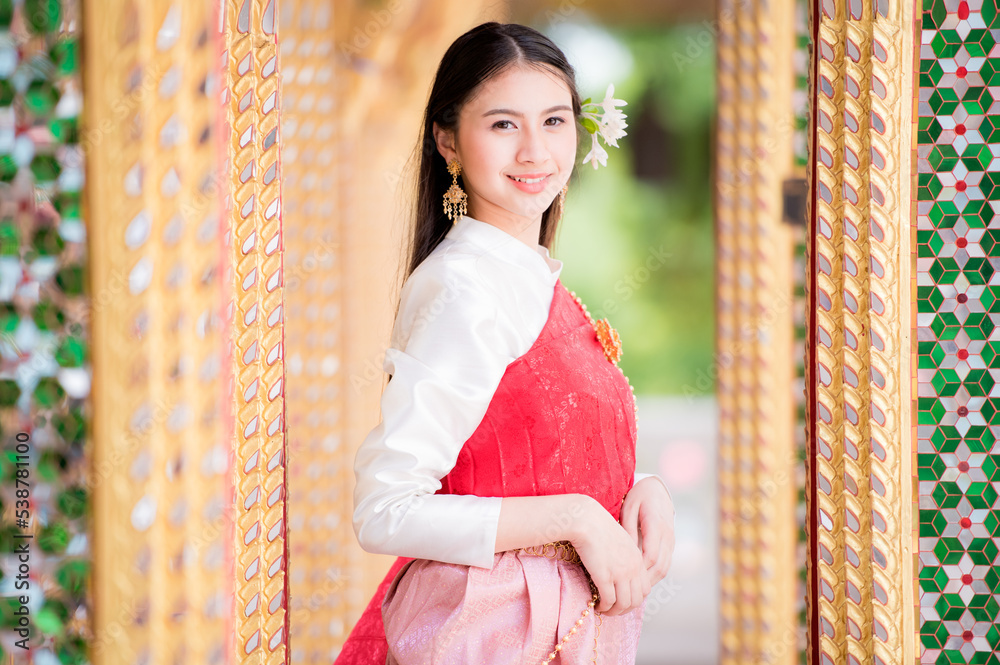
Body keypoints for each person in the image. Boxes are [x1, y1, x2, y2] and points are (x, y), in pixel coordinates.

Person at [336, 21, 676, 665]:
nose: (535, 153)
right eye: (502, 125)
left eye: (553, 122)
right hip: (490, 632)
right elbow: (384, 509)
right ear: (448, 140)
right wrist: (576, 518)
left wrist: (642, 487)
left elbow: (542, 446)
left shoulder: (529, 275)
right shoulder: (464, 290)